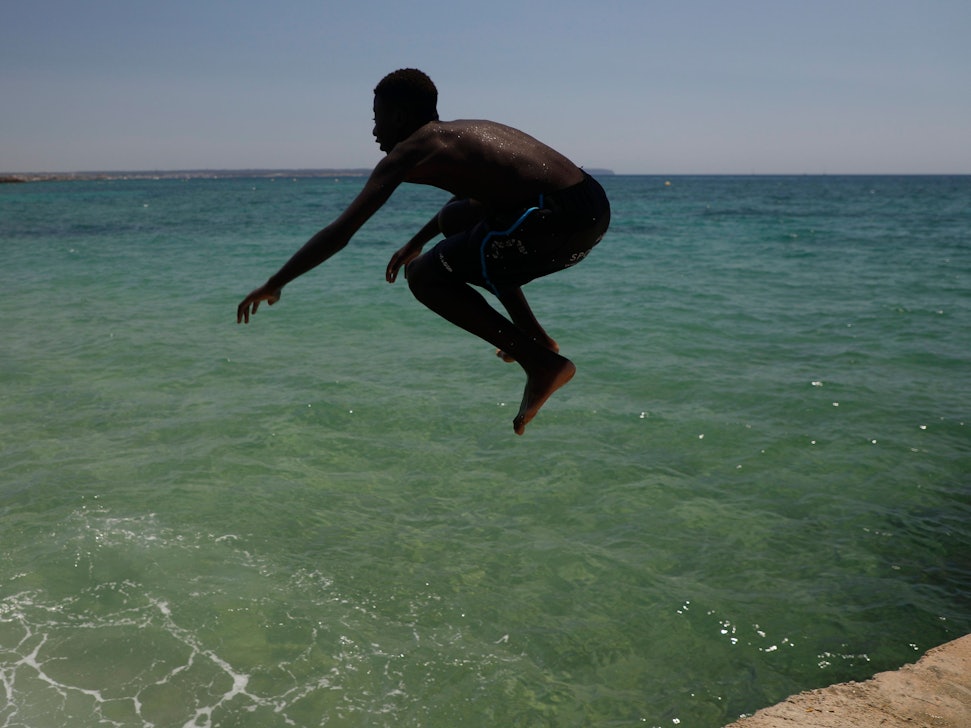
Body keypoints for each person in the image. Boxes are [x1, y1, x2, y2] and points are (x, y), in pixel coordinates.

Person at [237, 69, 610, 435]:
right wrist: (418, 239)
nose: (374, 131)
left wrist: (276, 282)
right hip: (588, 206)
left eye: (376, 119)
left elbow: (340, 232)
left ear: (398, 116)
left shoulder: (409, 152)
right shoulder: (456, 136)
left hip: (556, 222)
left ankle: (542, 363)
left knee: (425, 275)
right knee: (454, 219)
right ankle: (538, 339)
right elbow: (479, 198)